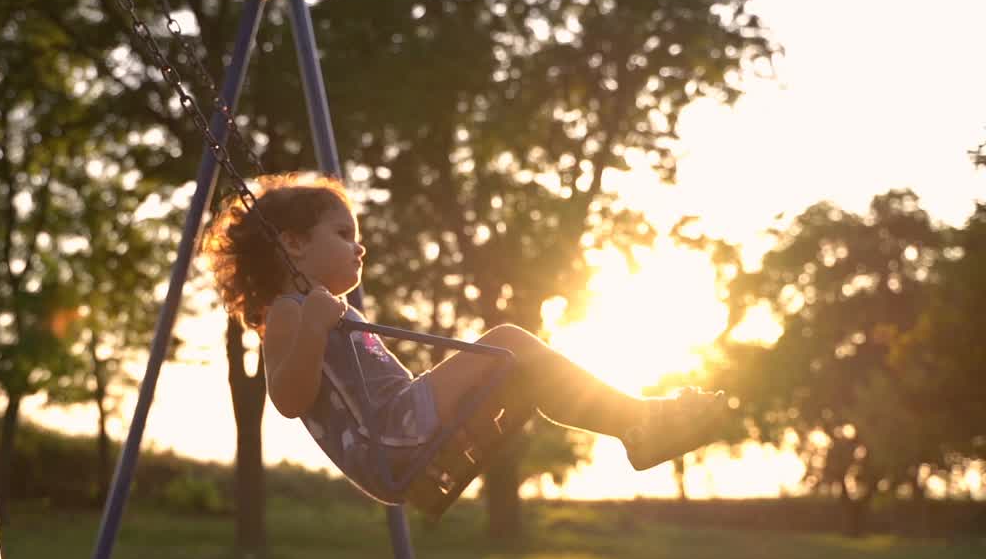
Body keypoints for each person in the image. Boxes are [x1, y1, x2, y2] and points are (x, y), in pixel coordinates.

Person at [202, 174, 728, 504]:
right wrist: (315, 325)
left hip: (400, 430)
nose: (359, 249)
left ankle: (635, 430)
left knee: (525, 373)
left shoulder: (325, 310)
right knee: (509, 342)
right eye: (343, 235)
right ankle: (637, 420)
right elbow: (289, 401)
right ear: (292, 244)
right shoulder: (291, 312)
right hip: (388, 436)